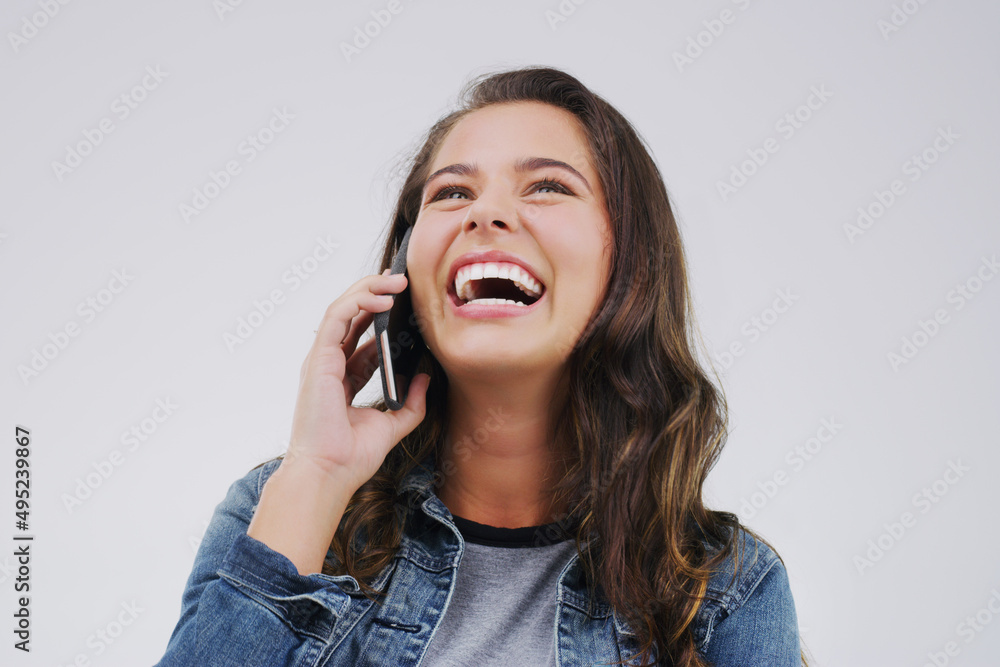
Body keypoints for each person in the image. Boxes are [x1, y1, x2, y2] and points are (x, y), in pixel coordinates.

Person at [156, 65, 807, 666]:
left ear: (629, 262)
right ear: (407, 268)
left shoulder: (727, 586)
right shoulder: (273, 511)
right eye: (451, 191)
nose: (486, 212)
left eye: (548, 186)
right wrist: (316, 476)